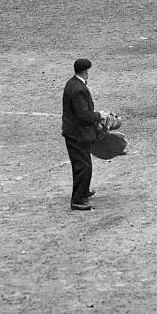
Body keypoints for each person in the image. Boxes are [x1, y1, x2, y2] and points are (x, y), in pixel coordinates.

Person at [62, 58, 107, 211]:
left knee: (82, 163)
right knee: (83, 166)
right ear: (86, 71)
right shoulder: (79, 89)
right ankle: (77, 200)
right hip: (77, 134)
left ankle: (83, 191)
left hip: (74, 132)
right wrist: (99, 115)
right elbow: (84, 115)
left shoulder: (72, 83)